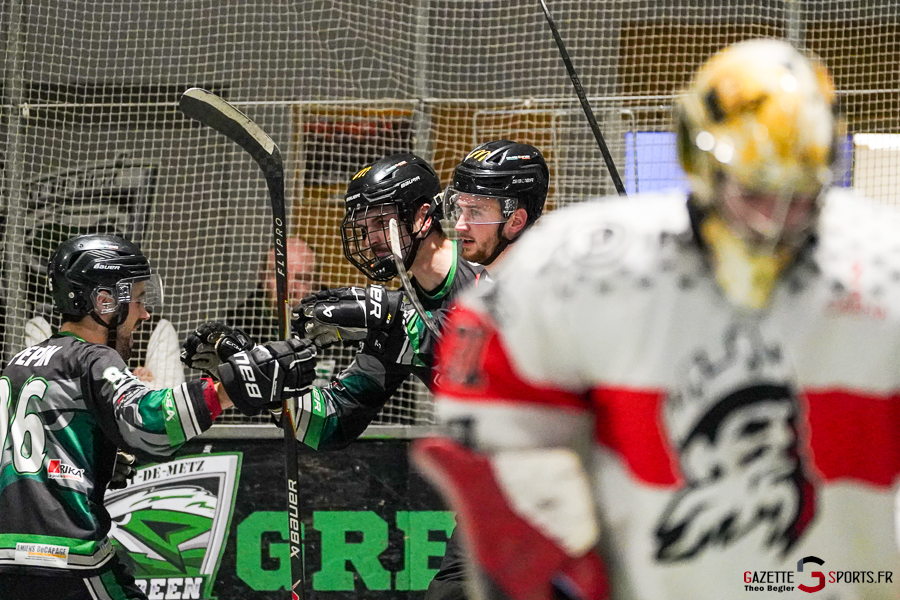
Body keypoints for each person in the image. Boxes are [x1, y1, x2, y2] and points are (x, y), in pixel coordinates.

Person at [413, 39, 900, 600]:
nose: (775, 216)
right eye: (754, 187)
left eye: (798, 188)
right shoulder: (585, 261)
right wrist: (541, 534)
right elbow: (493, 383)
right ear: (698, 162)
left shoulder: (881, 266)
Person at [0, 234, 317, 600]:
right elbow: (150, 424)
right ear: (104, 302)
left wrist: (99, 453)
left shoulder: (19, 364)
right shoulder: (93, 359)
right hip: (64, 552)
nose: (145, 313)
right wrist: (234, 385)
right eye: (136, 300)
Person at [226, 236, 321, 344]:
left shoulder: (333, 330)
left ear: (316, 284)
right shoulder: (237, 328)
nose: (289, 290)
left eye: (302, 278)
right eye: (279, 276)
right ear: (263, 278)